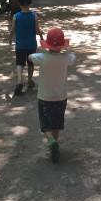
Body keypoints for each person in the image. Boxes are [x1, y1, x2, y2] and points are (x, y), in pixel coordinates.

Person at [28, 27, 76, 163]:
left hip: (45, 97)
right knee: (56, 123)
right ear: (62, 46)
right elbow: (73, 57)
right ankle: (55, 143)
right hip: (60, 97)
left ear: (47, 45)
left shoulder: (42, 58)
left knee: (45, 124)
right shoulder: (66, 58)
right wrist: (66, 51)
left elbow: (30, 57)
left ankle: (51, 141)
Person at [9, 0, 44, 96]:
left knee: (19, 63)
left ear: (19, 4)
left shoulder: (16, 16)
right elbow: (37, 31)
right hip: (31, 45)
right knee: (30, 63)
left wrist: (10, 38)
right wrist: (41, 33)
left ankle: (20, 81)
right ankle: (29, 80)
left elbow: (12, 30)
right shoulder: (34, 16)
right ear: (30, 4)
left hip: (20, 45)